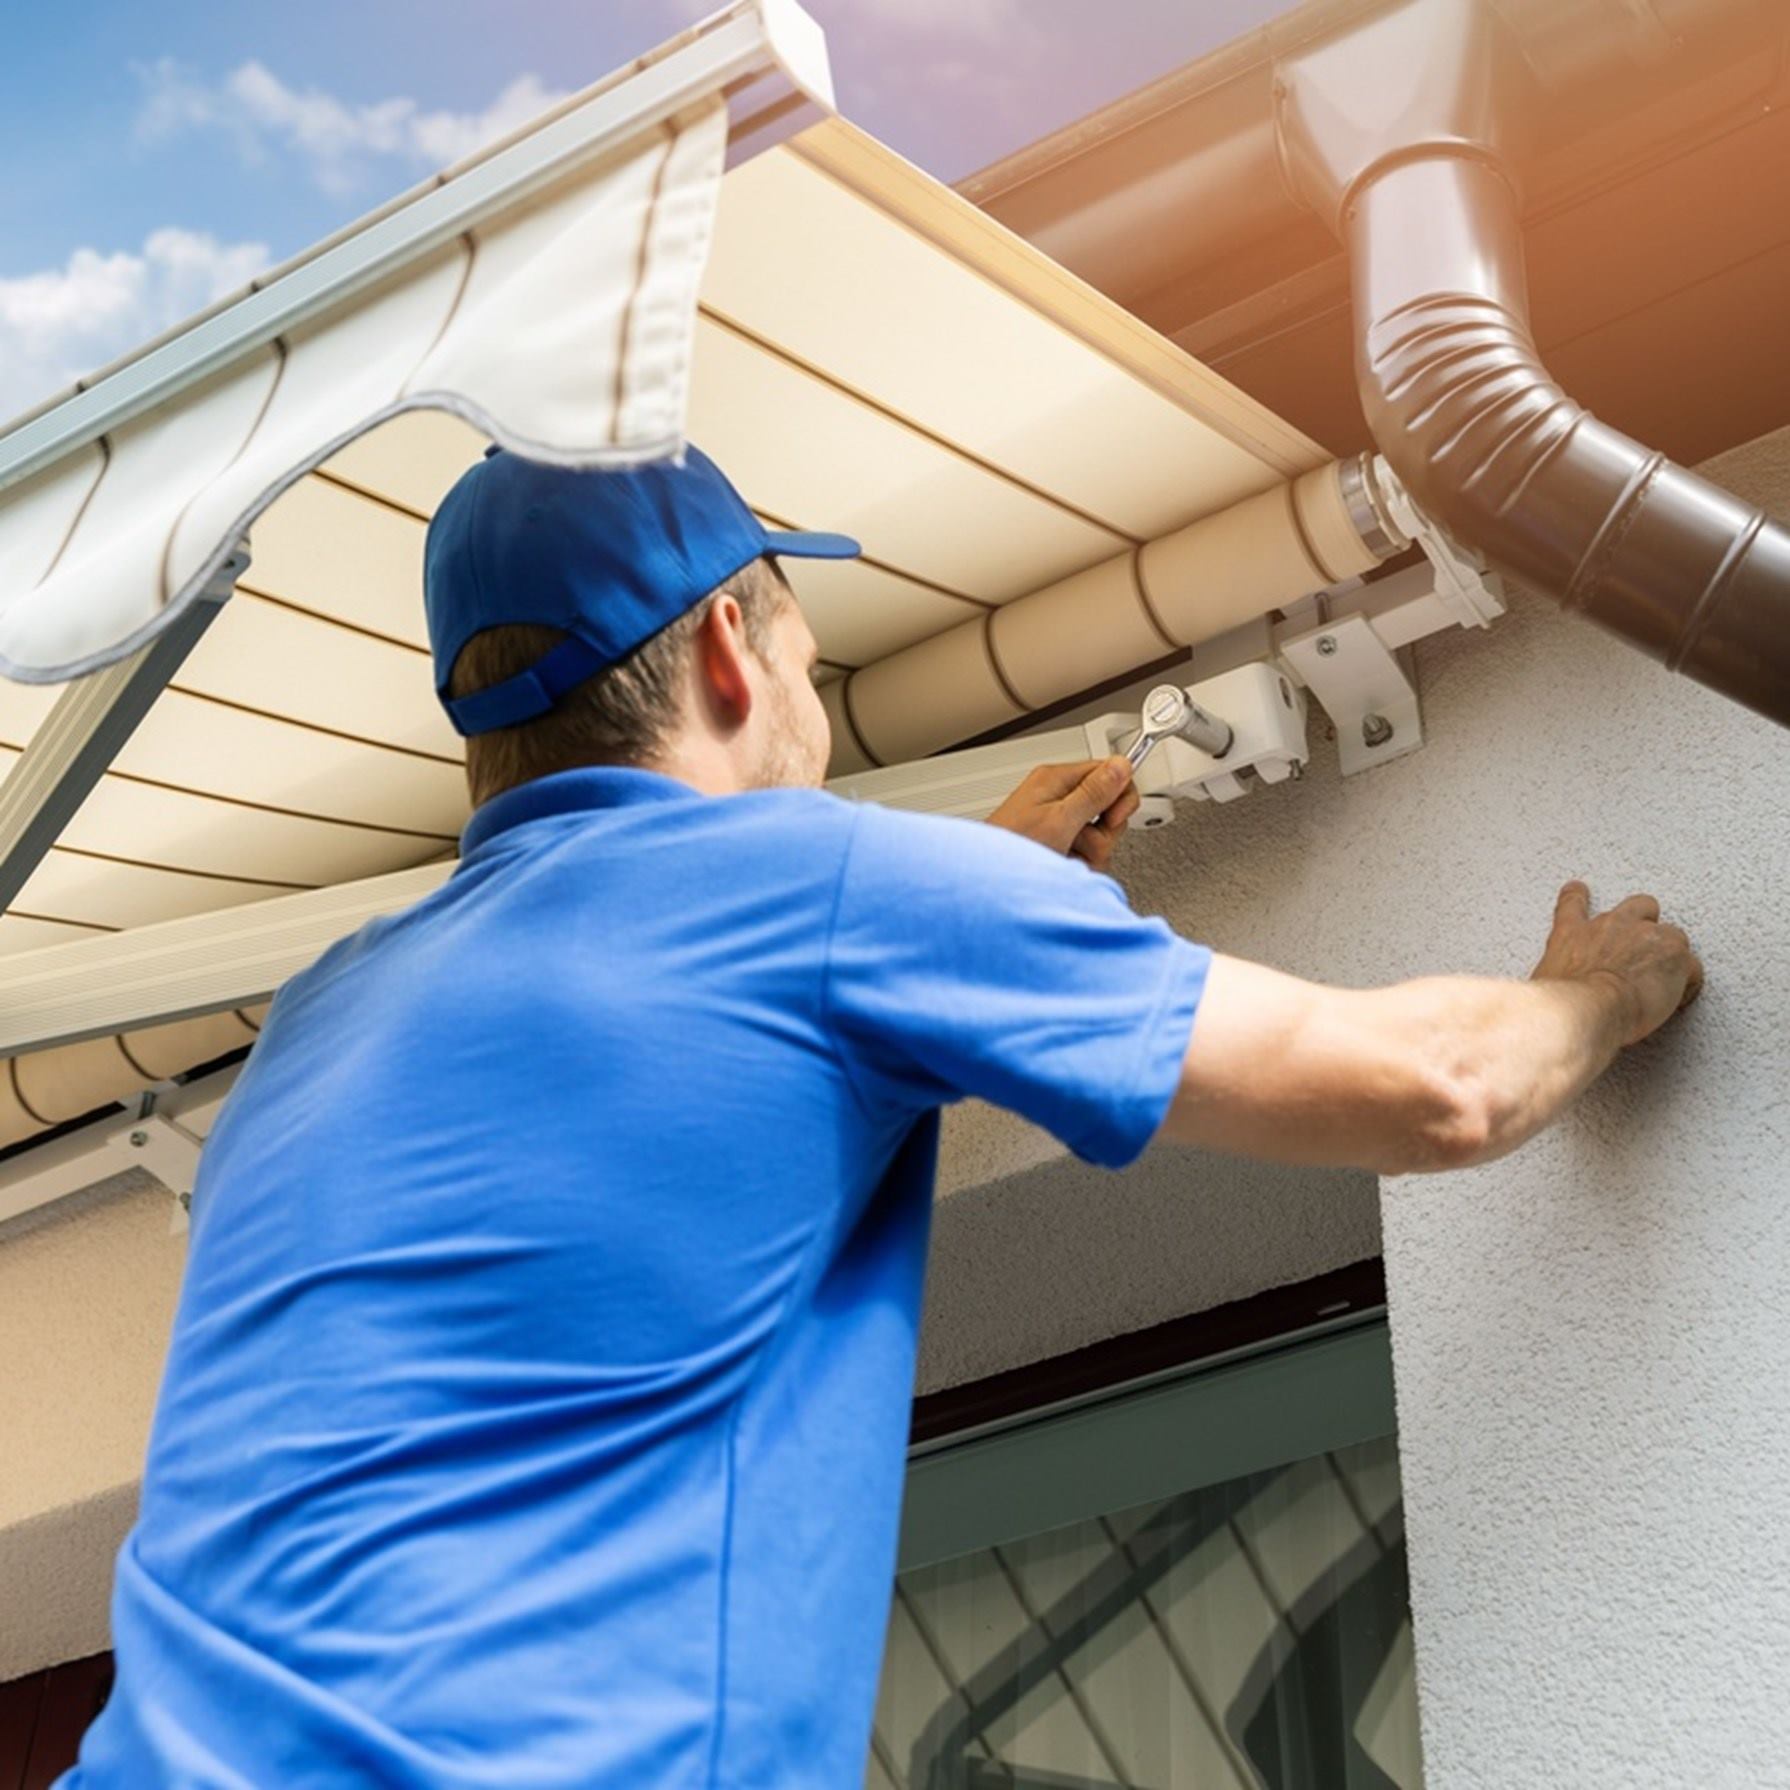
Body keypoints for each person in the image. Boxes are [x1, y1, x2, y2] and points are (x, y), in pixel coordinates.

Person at [63, 446, 1703, 1789]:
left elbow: (658, 1093)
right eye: (802, 644)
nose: (811, 686)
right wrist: (1598, 988)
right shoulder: (838, 898)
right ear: (726, 646)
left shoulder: (323, 1014)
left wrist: (953, 915)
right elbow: (1439, 1086)